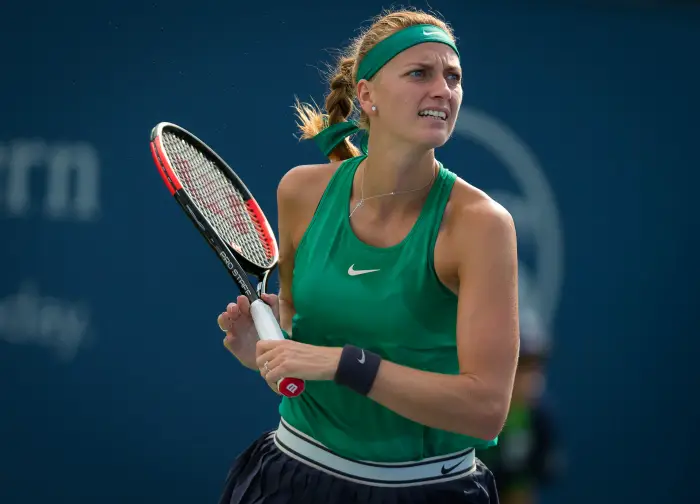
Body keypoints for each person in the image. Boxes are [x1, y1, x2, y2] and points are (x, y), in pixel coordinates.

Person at [216, 8, 520, 504]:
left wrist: (344, 363)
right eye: (420, 73)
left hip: (429, 491)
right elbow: (302, 340)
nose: (443, 89)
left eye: (453, 76)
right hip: (292, 478)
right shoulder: (300, 193)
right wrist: (269, 350)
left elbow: (485, 409)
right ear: (367, 95)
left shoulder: (481, 225)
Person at [477, 307, 564, 504]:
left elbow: (549, 467)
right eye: (521, 364)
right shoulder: (475, 412)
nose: (530, 378)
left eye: (536, 365)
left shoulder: (541, 416)